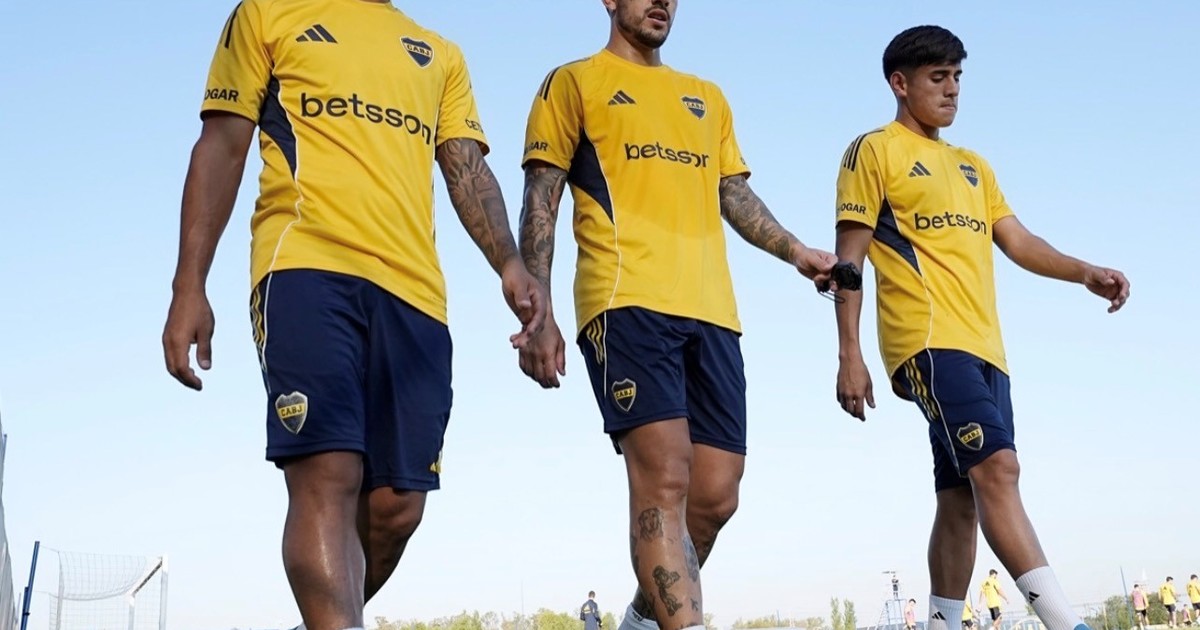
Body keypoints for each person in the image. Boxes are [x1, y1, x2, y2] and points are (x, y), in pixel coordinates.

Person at [161, 2, 544, 629]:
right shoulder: (268, 14)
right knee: (329, 472)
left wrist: (509, 262)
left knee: (398, 506)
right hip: (305, 267)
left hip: (415, 293)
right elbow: (223, 144)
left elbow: (467, 168)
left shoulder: (439, 52)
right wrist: (189, 284)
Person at [516, 1, 837, 629]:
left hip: (712, 309)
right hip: (625, 300)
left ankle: (639, 622)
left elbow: (732, 192)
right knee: (665, 478)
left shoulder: (706, 97)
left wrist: (796, 250)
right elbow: (540, 197)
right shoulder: (574, 81)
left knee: (716, 496)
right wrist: (539, 309)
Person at [829, 24, 1129, 630]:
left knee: (960, 496)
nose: (952, 90)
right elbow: (848, 261)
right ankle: (1067, 623)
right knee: (999, 469)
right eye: (938, 77)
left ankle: (941, 623)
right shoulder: (874, 151)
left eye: (958, 77)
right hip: (926, 342)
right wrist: (849, 354)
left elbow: (1018, 241)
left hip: (987, 350)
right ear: (900, 84)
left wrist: (1083, 272)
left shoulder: (973, 166)